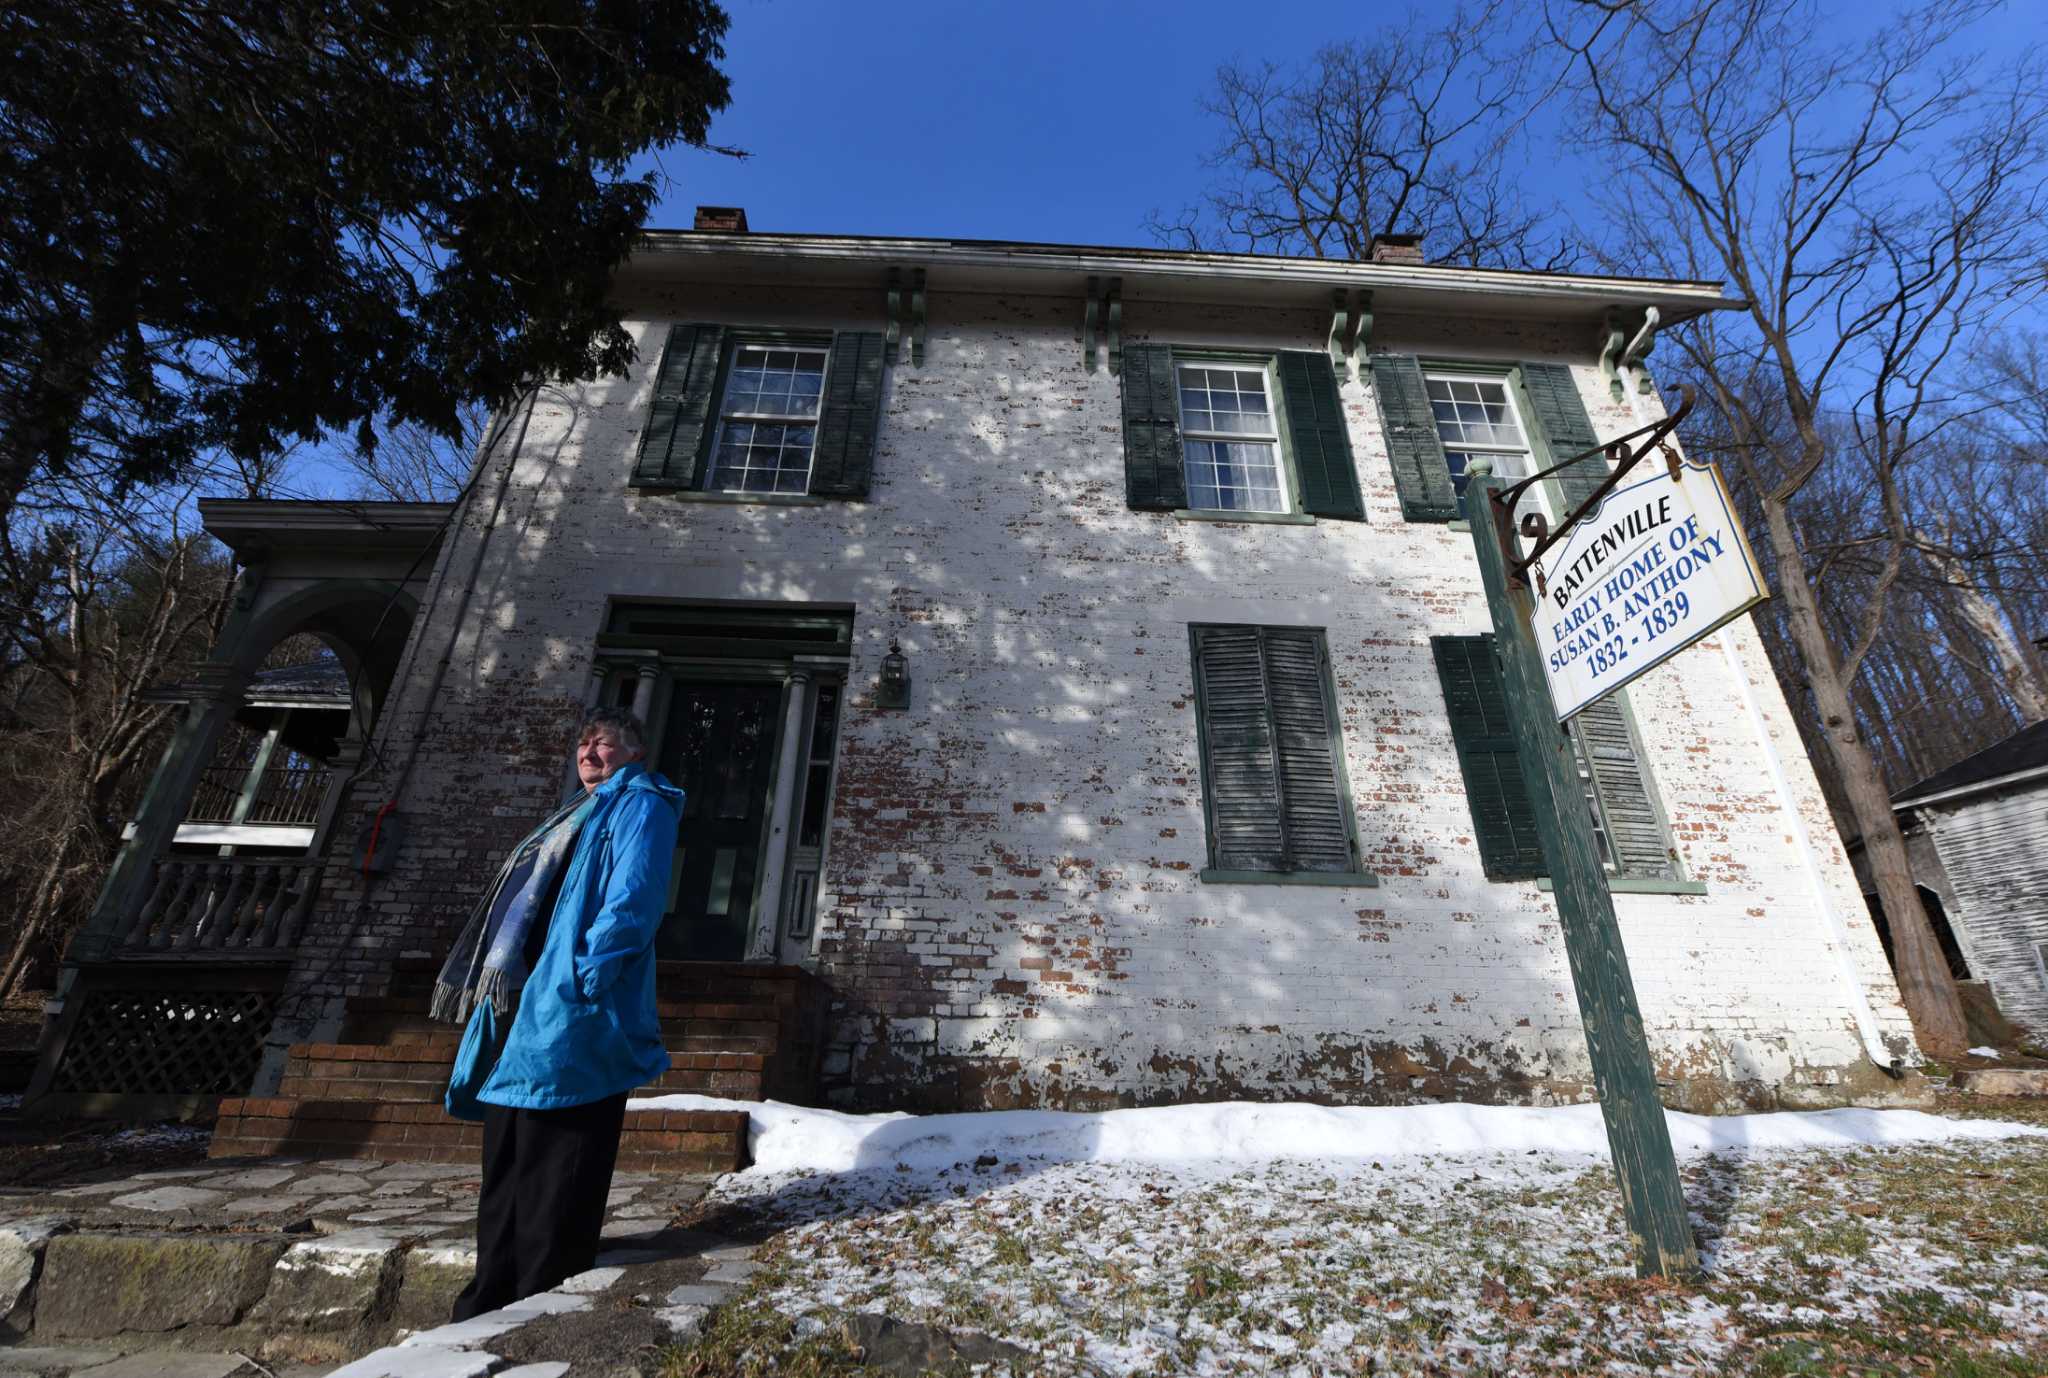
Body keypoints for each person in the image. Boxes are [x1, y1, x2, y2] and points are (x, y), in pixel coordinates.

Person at [431, 706, 683, 1320]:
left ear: (634, 753)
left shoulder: (640, 805)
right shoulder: (573, 813)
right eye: (584, 744)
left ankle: (538, 1294)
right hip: (524, 998)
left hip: (575, 999)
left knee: (560, 1150)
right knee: (510, 1145)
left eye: (606, 744)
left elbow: (634, 895)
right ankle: (489, 1288)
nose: (590, 753)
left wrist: (587, 975)